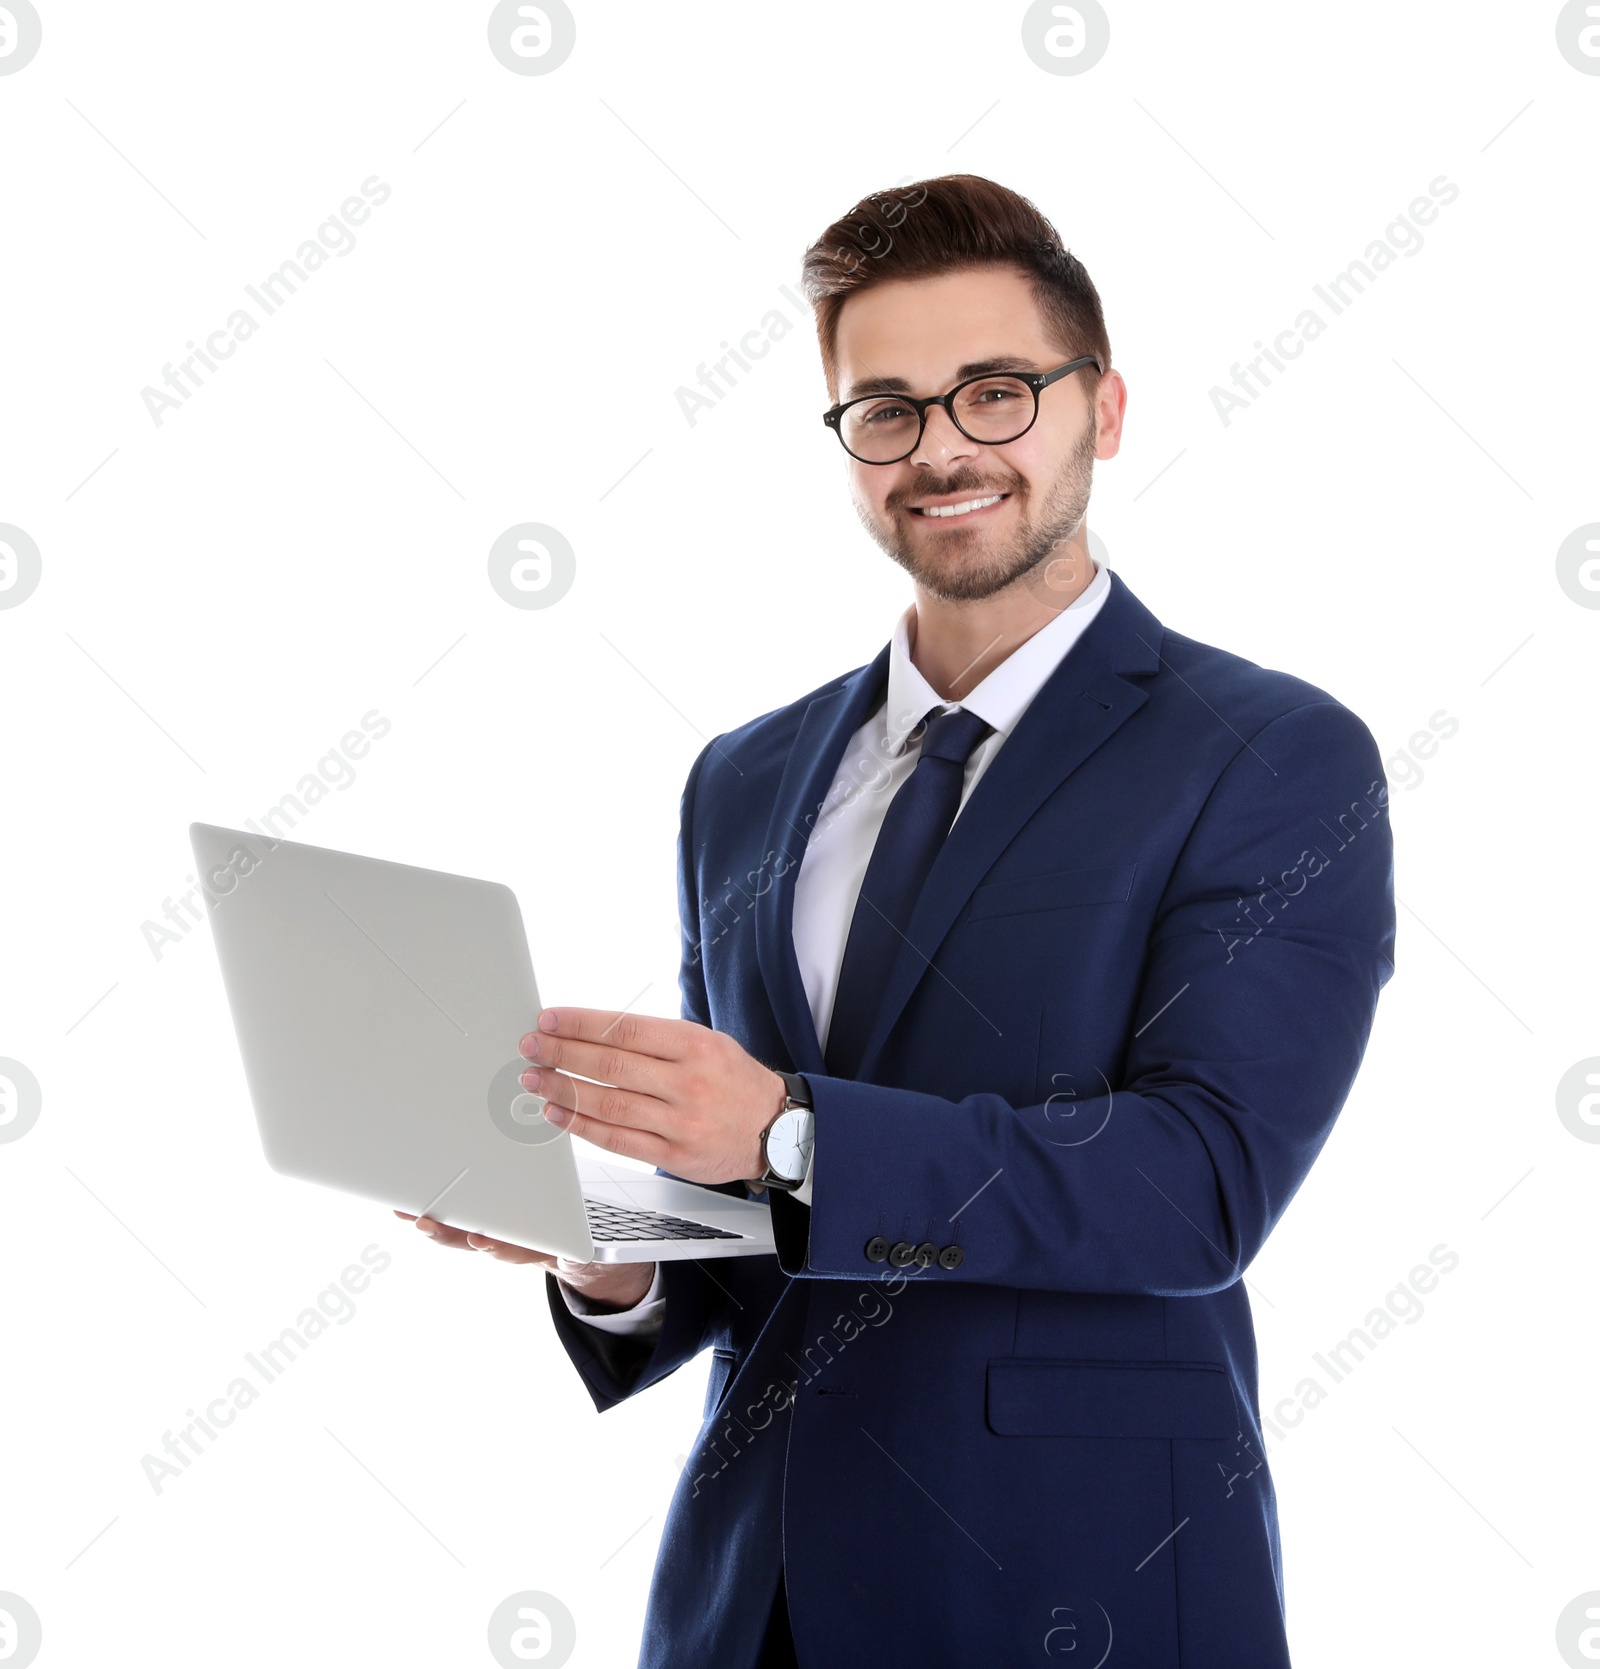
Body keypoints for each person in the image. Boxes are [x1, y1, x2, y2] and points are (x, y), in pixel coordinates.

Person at [403, 173, 1396, 1668]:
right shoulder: (742, 780)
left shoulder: (1271, 755)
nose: (941, 448)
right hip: (752, 1598)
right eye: (887, 409)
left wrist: (795, 1131)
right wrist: (604, 1252)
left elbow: (1198, 1184)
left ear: (1102, 409)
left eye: (996, 393)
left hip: (1074, 1587)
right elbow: (765, 1224)